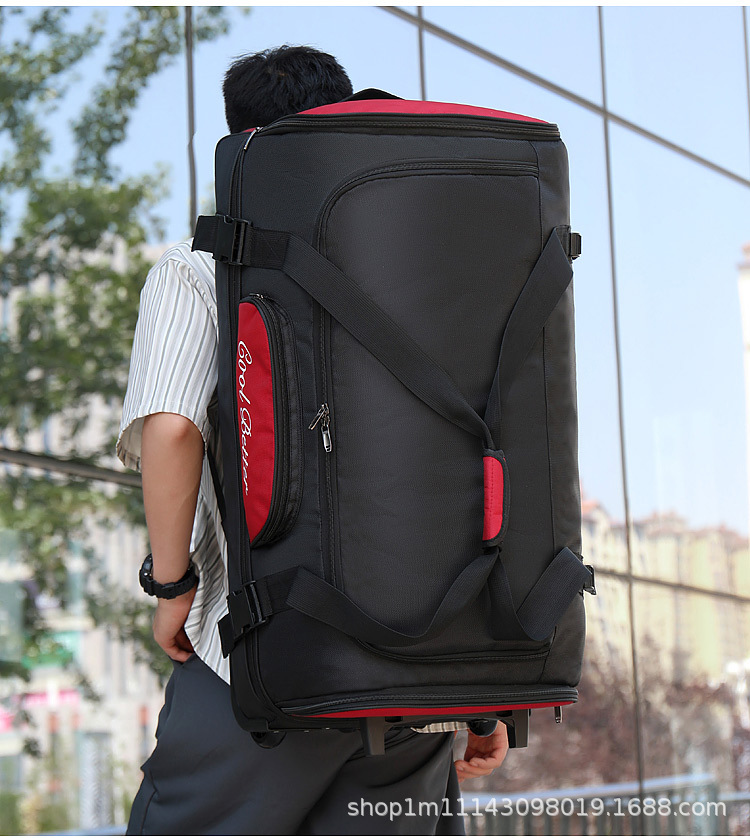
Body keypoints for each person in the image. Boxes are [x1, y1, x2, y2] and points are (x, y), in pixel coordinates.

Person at [118, 45, 508, 836]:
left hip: (260, 669)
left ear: (240, 148)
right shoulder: (429, 281)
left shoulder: (201, 267)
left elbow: (173, 426)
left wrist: (172, 586)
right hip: (416, 682)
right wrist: (480, 696)